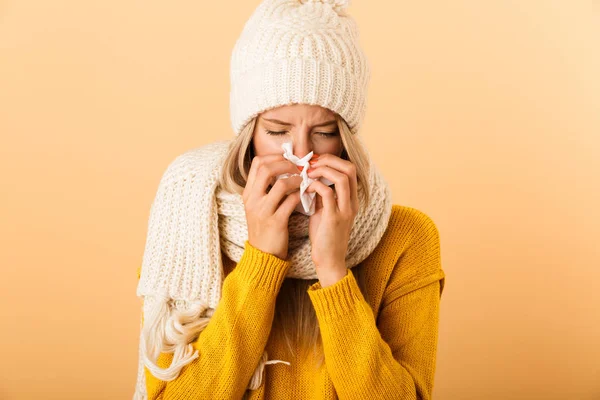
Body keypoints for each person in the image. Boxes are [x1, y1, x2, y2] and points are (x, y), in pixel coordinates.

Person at [132, 0, 446, 399]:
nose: (301, 154)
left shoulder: (406, 238)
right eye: (278, 131)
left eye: (325, 132)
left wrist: (333, 271)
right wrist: (260, 261)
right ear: (249, 136)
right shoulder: (189, 223)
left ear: (348, 140)